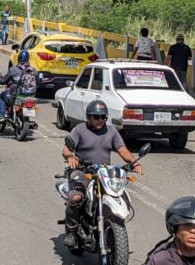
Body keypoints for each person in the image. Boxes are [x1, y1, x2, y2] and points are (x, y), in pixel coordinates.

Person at [61, 100, 143, 248]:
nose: (100, 120)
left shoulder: (111, 131)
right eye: (95, 117)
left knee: (119, 195)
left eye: (102, 117)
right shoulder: (79, 130)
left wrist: (134, 162)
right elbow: (66, 149)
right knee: (76, 197)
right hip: (81, 171)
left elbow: (122, 149)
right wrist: (70, 157)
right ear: (88, 117)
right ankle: (71, 231)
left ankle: (108, 224)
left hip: (103, 172)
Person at [0, 49, 30, 120]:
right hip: (29, 96)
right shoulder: (33, 70)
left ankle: (0, 116)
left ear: (18, 59)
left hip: (16, 95)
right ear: (28, 59)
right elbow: (38, 82)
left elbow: (3, 81)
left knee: (2, 95)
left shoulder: (13, 69)